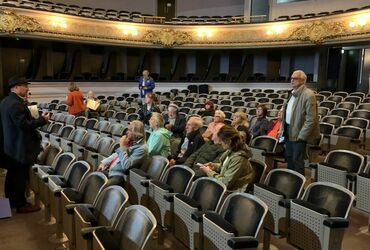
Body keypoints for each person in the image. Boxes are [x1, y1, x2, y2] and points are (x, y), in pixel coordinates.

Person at [0, 76, 50, 213]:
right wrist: (42, 120)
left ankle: (10, 202)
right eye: (24, 86)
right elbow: (23, 125)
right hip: (19, 147)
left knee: (12, 175)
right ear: (16, 88)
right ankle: (21, 204)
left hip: (11, 145)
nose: (27, 88)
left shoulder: (5, 101)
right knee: (20, 176)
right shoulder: (15, 104)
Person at [283, 70, 319, 175]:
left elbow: (311, 119)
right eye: (291, 78)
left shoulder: (309, 95)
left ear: (303, 81)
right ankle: (290, 180)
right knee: (289, 157)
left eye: (295, 78)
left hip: (299, 133)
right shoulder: (292, 93)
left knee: (297, 159)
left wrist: (302, 135)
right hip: (289, 129)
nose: (292, 80)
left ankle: (299, 185)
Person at [200, 125, 254, 192]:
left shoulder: (239, 158)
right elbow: (227, 166)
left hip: (233, 192)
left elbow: (225, 183)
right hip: (225, 188)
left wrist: (209, 172)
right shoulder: (231, 149)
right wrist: (215, 166)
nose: (220, 142)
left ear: (228, 141)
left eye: (222, 140)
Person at [97, 120, 147, 186]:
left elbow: (126, 165)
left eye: (129, 130)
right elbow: (116, 154)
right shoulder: (132, 141)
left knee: (102, 186)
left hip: (120, 175)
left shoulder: (142, 149)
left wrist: (122, 147)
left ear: (136, 133)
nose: (126, 132)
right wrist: (104, 162)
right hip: (111, 170)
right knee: (94, 177)